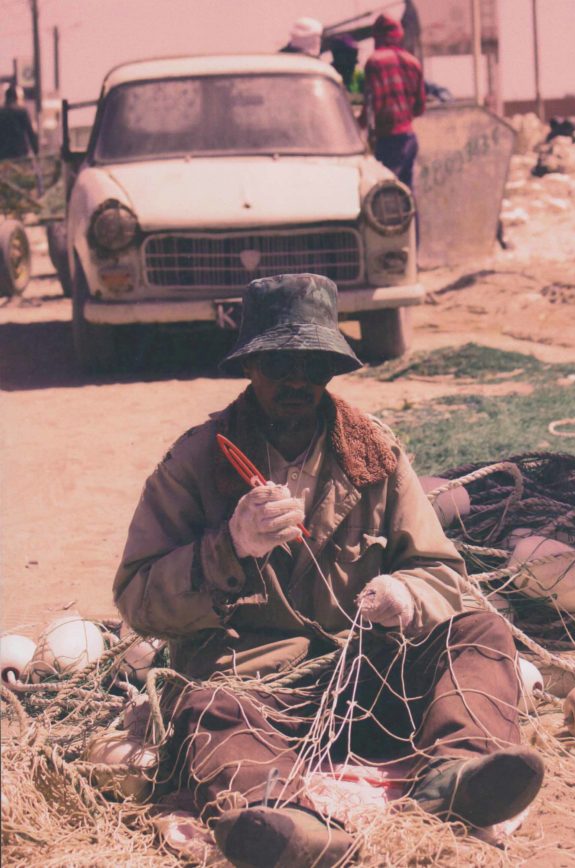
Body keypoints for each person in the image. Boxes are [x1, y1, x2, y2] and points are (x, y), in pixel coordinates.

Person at [113, 273, 544, 867]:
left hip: (370, 675)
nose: (297, 381)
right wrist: (229, 547)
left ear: (333, 370)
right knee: (205, 707)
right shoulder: (196, 461)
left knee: (481, 632)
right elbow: (137, 599)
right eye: (278, 363)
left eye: (314, 366)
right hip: (254, 689)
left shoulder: (374, 451)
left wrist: (406, 593)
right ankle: (288, 820)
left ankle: (458, 775)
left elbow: (441, 571)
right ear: (250, 365)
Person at [360, 14, 425, 190]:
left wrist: (356, 126)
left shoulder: (375, 62)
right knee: (407, 194)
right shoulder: (413, 62)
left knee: (386, 194)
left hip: (388, 140)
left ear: (378, 36)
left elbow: (372, 107)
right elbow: (420, 108)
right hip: (409, 138)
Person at [0, 84, 38, 161]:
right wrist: (36, 150)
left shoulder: (1, 112)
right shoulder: (22, 111)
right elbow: (30, 132)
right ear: (16, 98)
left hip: (3, 152)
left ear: (6, 97)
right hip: (19, 151)